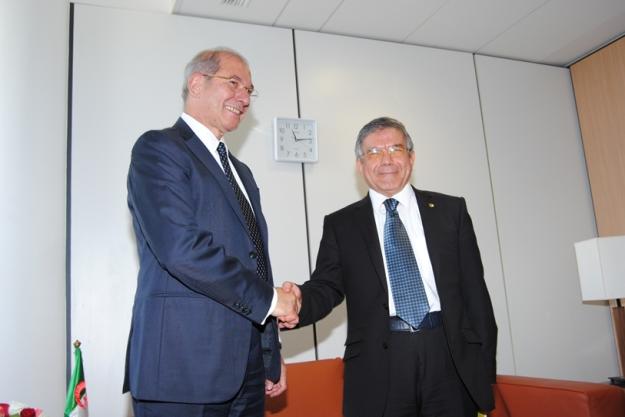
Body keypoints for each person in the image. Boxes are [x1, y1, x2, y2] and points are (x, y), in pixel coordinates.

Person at [123, 48, 299, 417]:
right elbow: (181, 249)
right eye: (234, 83)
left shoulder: (242, 173)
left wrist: (270, 353)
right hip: (182, 370)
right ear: (196, 83)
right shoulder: (159, 149)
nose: (245, 97)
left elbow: (255, 263)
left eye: (250, 90)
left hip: (247, 373)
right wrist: (271, 300)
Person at [282, 117, 497, 417]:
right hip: (379, 363)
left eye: (395, 148)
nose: (386, 159)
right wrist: (299, 302)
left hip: (448, 357)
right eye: (373, 152)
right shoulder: (341, 225)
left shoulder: (451, 211)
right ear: (360, 164)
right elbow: (327, 286)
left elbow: (476, 295)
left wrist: (484, 373)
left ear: (411, 156)